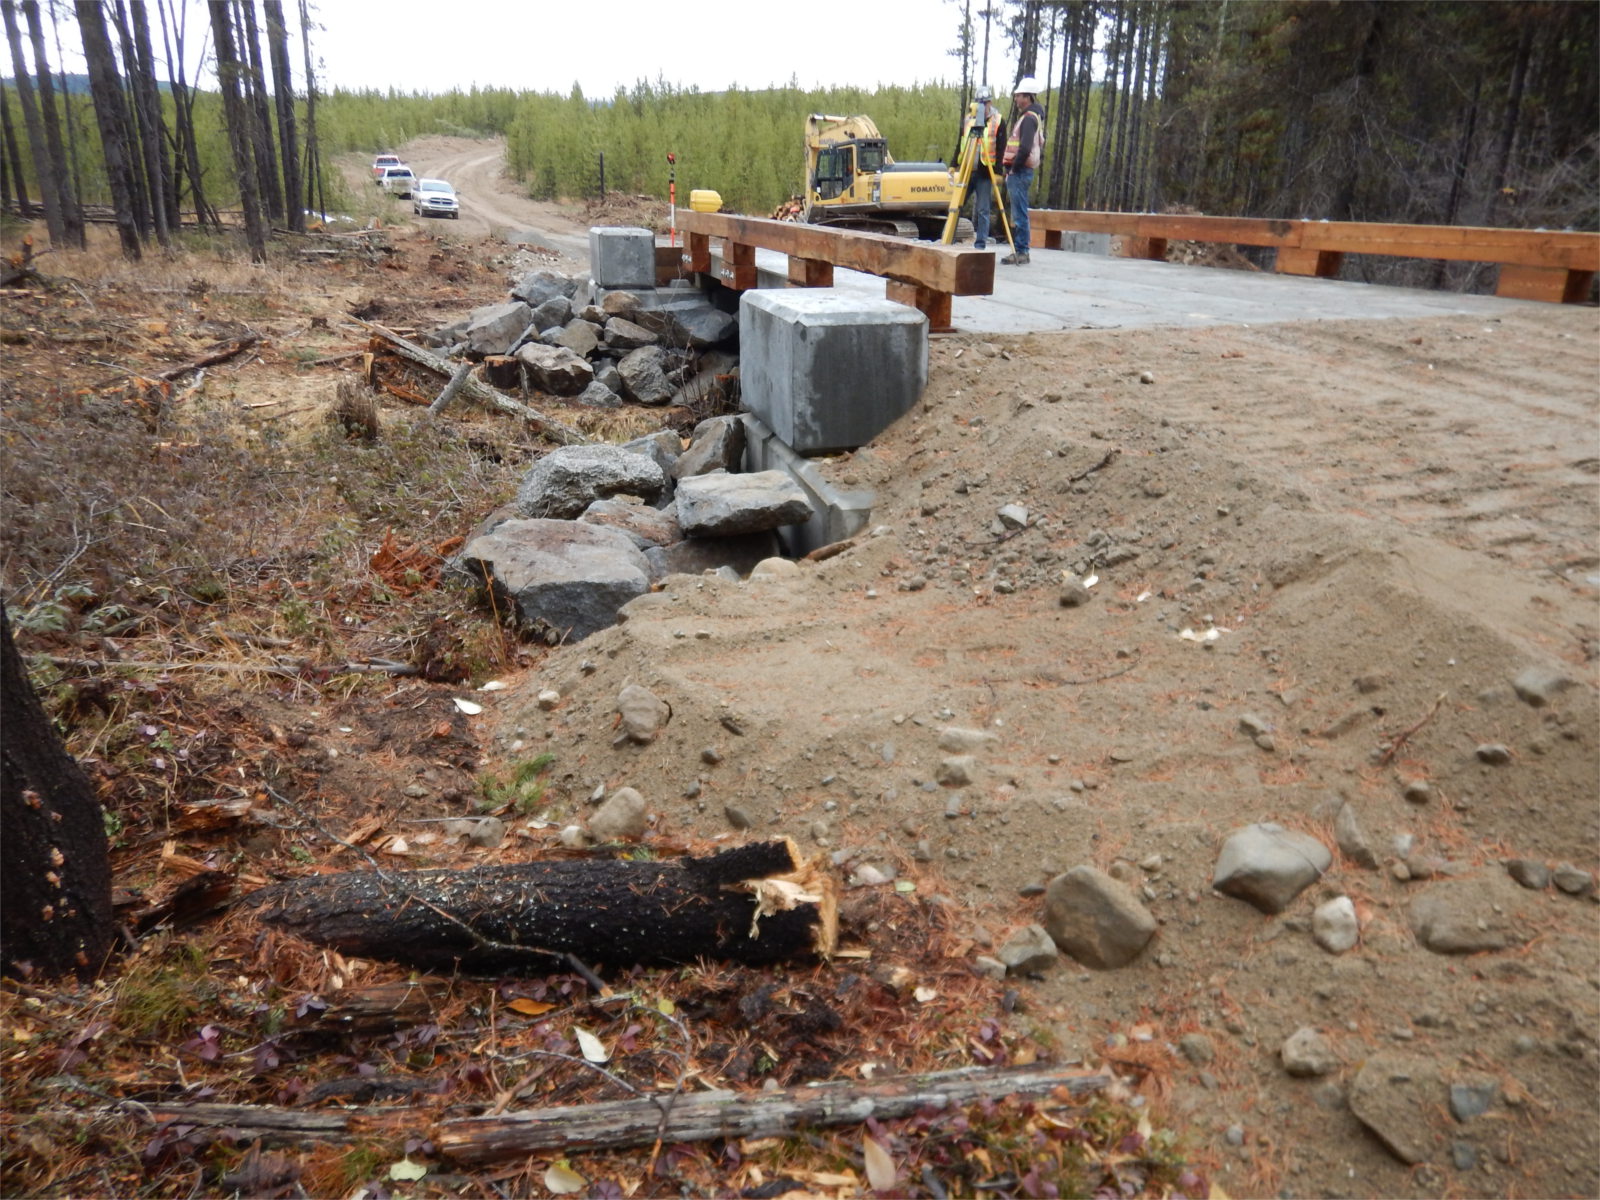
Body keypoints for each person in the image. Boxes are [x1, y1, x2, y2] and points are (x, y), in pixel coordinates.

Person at [998, 77, 1045, 265]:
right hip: (1020, 171)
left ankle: (1022, 251)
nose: (1016, 99)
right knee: (1019, 211)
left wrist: (1013, 169)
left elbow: (1024, 148)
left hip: (1020, 172)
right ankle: (1020, 249)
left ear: (1027, 97)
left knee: (1019, 213)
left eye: (1018, 96)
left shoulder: (1028, 119)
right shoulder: (1031, 118)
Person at [959, 85, 1004, 250]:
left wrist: (999, 172)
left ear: (990, 103)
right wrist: (954, 165)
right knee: (956, 205)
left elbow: (1001, 147)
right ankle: (949, 240)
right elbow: (961, 142)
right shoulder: (968, 120)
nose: (981, 106)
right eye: (979, 102)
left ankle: (980, 244)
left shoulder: (997, 121)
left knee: (983, 209)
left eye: (984, 103)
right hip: (968, 169)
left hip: (985, 171)